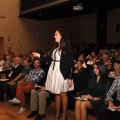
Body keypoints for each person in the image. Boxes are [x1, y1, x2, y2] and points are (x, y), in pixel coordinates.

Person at [32, 28, 74, 120]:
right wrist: (40, 56)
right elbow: (51, 60)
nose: (54, 36)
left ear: (61, 36)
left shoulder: (67, 47)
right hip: (54, 72)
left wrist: (70, 78)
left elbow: (71, 64)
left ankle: (64, 114)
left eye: (56, 34)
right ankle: (57, 114)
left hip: (62, 73)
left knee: (63, 94)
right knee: (56, 94)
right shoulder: (55, 47)